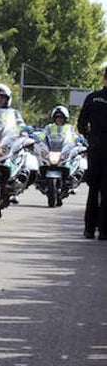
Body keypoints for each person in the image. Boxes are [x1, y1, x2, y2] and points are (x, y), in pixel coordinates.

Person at [78, 67, 107, 239]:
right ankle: (103, 231)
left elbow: (81, 124)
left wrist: (90, 136)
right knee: (105, 190)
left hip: (95, 148)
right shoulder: (93, 98)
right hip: (99, 147)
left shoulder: (92, 97)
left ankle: (89, 228)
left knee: (94, 189)